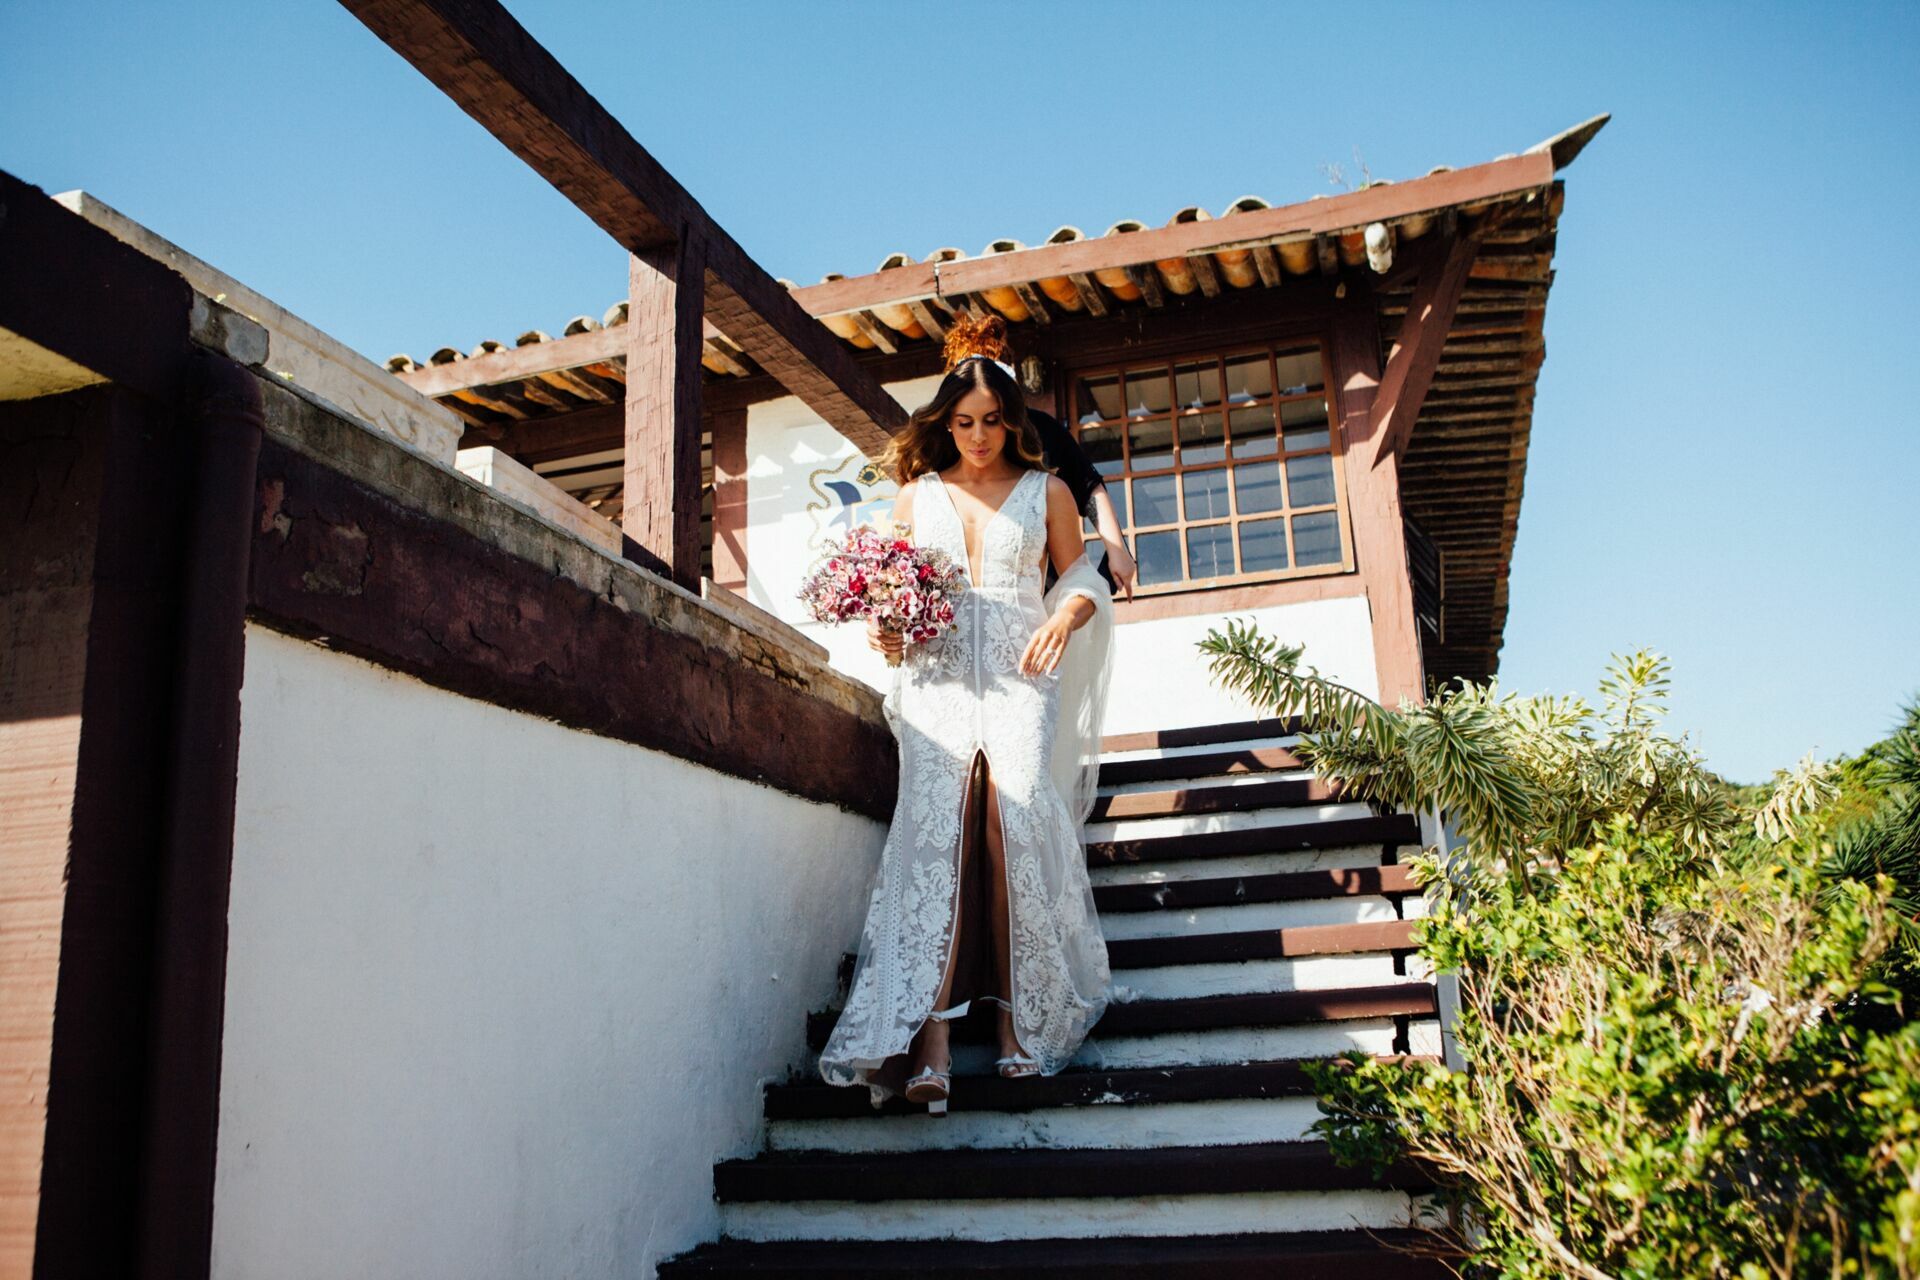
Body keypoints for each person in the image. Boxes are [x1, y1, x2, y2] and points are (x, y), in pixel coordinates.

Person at [817, 314, 1114, 1112]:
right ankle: (932, 1037)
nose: (978, 436)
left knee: (1010, 825)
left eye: (991, 421)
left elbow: (1083, 574)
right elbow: (892, 601)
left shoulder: (1047, 490)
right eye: (963, 422)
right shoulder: (915, 498)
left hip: (1024, 674)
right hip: (937, 680)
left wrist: (1063, 615)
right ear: (945, 422)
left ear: (1012, 420)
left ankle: (1020, 1024)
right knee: (935, 835)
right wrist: (887, 628)